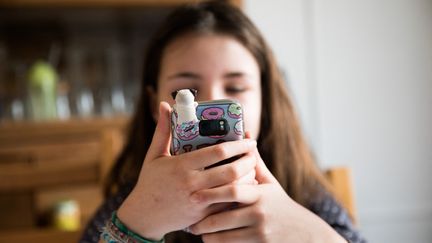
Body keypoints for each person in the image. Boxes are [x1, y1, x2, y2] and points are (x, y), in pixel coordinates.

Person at [81, 1, 366, 243]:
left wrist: (312, 235)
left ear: (266, 103)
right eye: (185, 94)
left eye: (236, 88)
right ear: (156, 106)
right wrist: (136, 224)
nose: (209, 103)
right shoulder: (134, 197)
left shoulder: (304, 192)